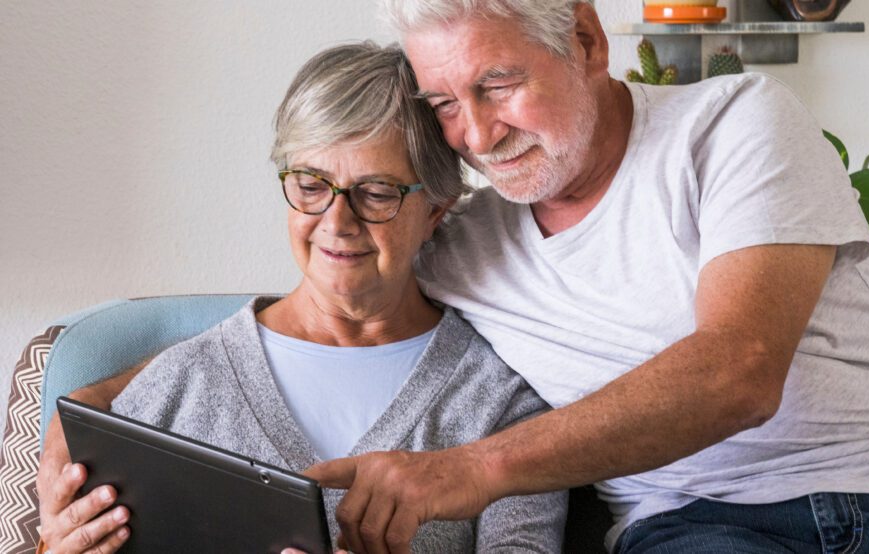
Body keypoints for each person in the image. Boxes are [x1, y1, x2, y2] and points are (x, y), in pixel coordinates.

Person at [37, 1, 869, 552]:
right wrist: (83, 401)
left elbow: (740, 368)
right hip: (698, 532)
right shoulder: (466, 233)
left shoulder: (734, 124)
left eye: (498, 83)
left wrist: (469, 473)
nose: (473, 133)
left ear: (586, 39)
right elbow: (328, 280)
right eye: (443, 103)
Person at [34, 42, 566, 554]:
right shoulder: (177, 387)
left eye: (376, 192)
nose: (336, 222)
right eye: (311, 185)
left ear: (436, 211)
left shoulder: (501, 405)